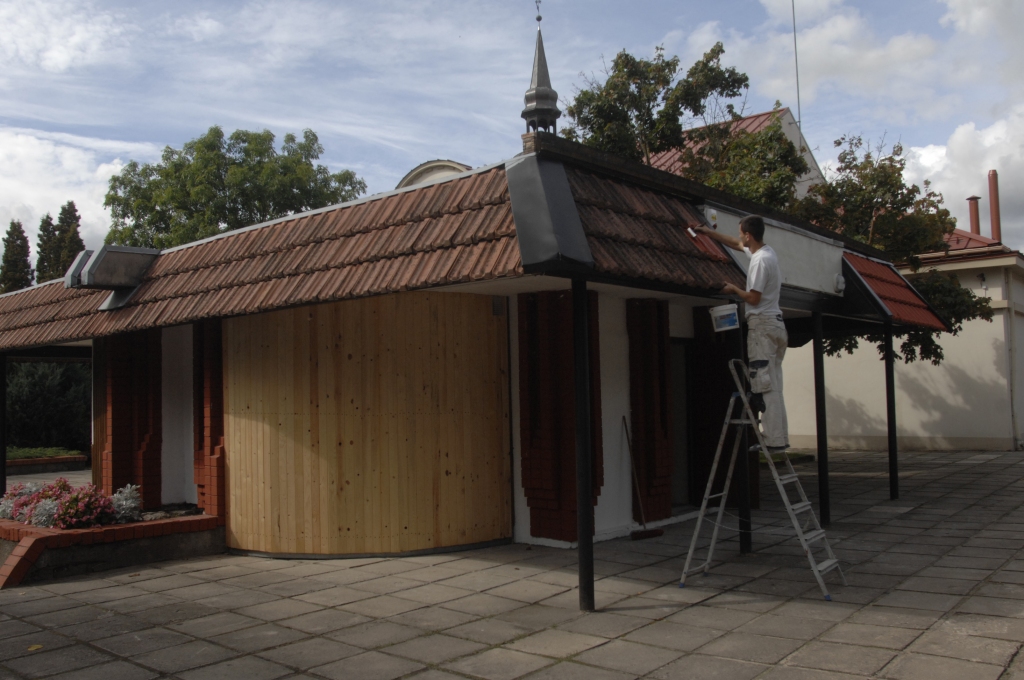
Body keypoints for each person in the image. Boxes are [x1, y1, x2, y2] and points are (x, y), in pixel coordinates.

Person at [695, 215, 789, 452]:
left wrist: (734, 288)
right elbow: (736, 244)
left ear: (749, 235)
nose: (739, 237)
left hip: (762, 326)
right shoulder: (767, 252)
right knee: (774, 385)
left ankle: (773, 441)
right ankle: (779, 437)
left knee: (764, 385)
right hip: (776, 325)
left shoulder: (759, 262)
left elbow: (753, 298)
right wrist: (709, 232)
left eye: (741, 233)